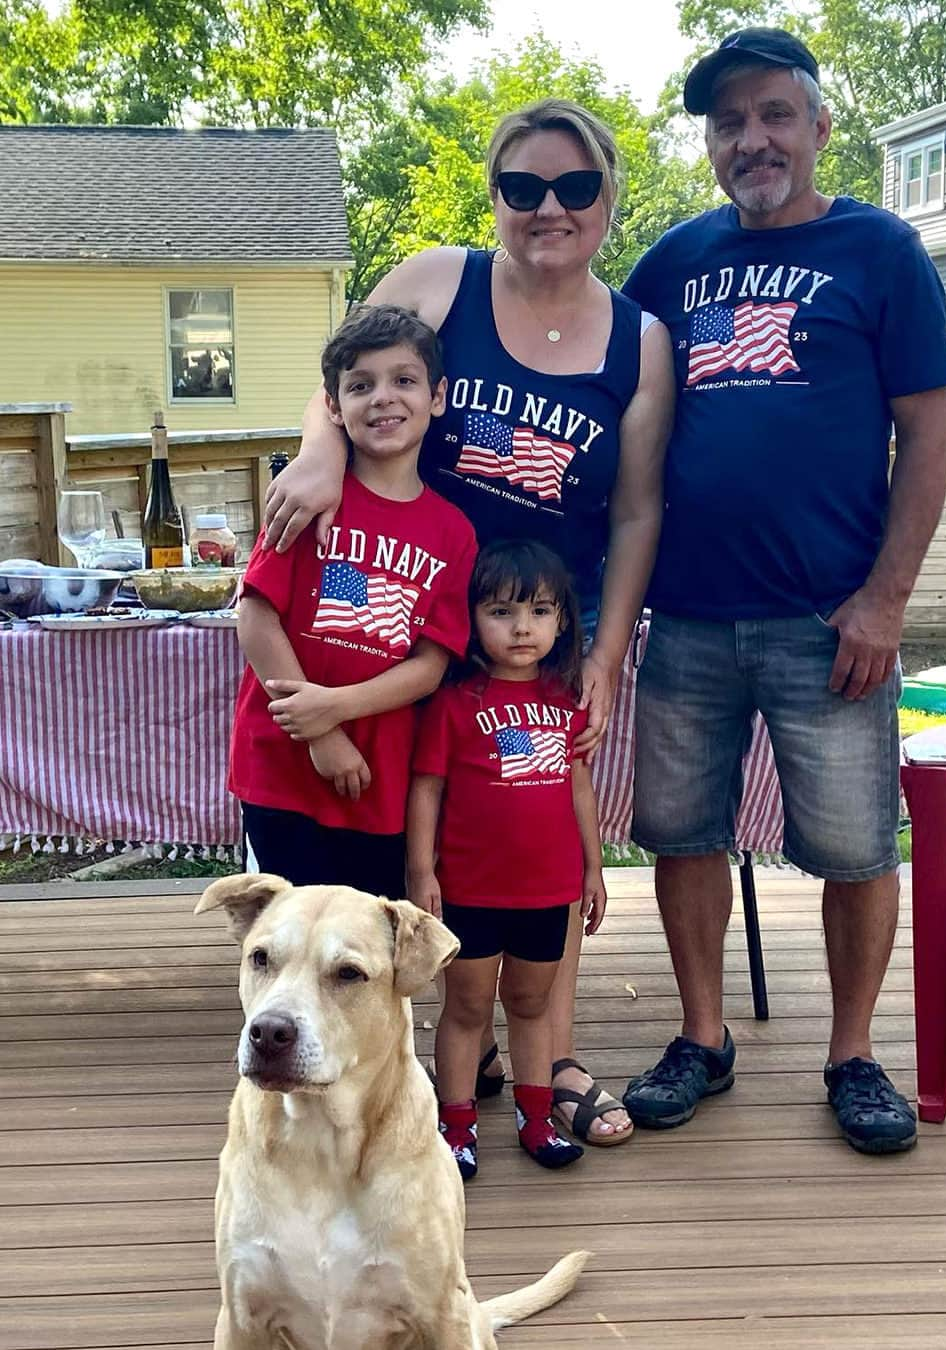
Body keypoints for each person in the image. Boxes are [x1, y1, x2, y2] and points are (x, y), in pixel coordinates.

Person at [262, 98, 675, 1145]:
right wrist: (316, 453)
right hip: (412, 609)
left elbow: (634, 508)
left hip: (540, 627)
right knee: (426, 822)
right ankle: (447, 1040)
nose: (549, 208)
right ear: (493, 196)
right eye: (522, 187)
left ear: (608, 197)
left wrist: (609, 651)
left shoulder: (640, 338)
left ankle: (553, 1047)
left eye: (575, 187)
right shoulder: (437, 280)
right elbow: (345, 371)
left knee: (536, 819)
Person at [620, 28, 946, 1154]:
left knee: (859, 848)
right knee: (680, 835)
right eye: (728, 123)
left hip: (833, 624)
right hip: (689, 618)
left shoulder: (883, 252)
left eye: (773, 114)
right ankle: (703, 1037)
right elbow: (590, 372)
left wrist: (885, 601)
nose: (750, 139)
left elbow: (928, 433)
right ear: (712, 145)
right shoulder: (671, 263)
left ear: (818, 126)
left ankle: (854, 1055)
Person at [228, 304, 476, 896]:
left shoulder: (453, 532)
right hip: (283, 766)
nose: (383, 398)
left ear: (437, 397)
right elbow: (255, 613)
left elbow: (431, 664)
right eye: (360, 386)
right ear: (334, 406)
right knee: (286, 941)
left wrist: (335, 709)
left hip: (377, 779)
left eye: (404, 381)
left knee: (363, 948)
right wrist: (319, 734)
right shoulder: (309, 498)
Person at [409, 539, 606, 1178]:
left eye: (540, 612)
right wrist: (421, 871)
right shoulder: (453, 702)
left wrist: (593, 869)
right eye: (501, 612)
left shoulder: (566, 698)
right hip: (470, 889)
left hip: (546, 891)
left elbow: (579, 784)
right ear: (472, 619)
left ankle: (536, 1118)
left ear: (563, 621)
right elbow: (428, 788)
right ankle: (457, 1126)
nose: (523, 628)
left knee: (531, 1006)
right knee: (467, 1009)